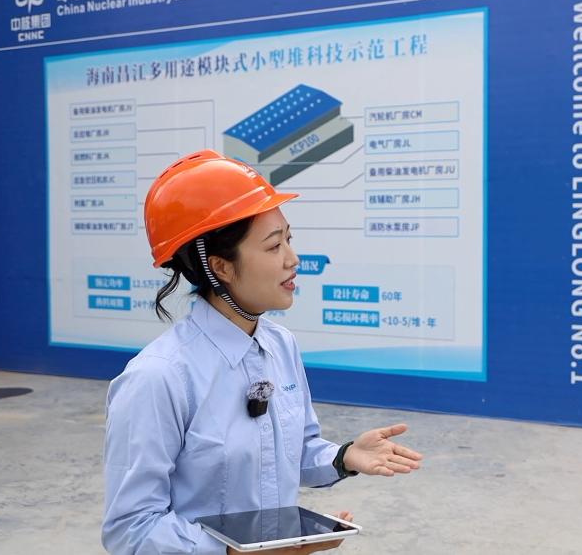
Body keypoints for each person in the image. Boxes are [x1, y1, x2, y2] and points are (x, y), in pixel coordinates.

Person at [102, 150, 423, 554]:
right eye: (273, 247)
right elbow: (130, 529)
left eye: (289, 239)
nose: (293, 259)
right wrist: (232, 552)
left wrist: (345, 457)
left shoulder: (280, 345)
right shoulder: (158, 377)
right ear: (221, 267)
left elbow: (291, 452)